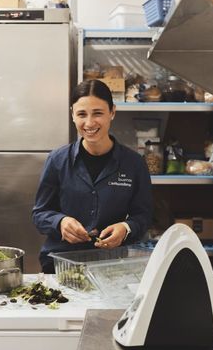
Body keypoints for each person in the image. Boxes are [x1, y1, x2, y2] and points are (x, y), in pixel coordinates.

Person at [32, 79, 153, 273]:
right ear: (72, 115)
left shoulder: (134, 164)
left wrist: (126, 227)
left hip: (110, 266)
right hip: (59, 265)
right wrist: (60, 222)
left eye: (98, 113)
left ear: (112, 112)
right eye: (81, 114)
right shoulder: (57, 160)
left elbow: (144, 216)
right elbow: (39, 214)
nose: (89, 123)